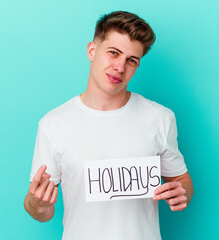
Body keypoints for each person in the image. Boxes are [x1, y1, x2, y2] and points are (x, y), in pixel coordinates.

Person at [24, 10, 194, 240]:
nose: (120, 67)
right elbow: (41, 211)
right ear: (92, 51)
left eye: (131, 60)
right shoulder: (54, 124)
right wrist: (37, 203)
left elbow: (182, 181)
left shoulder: (160, 118)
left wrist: (181, 193)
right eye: (113, 53)